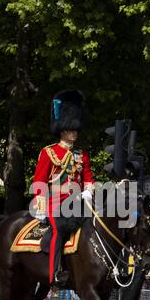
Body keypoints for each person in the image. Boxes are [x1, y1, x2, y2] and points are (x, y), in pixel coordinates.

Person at [32, 89, 94, 286]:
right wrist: (41, 210)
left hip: (77, 204)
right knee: (59, 230)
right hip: (55, 203)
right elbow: (40, 182)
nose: (74, 133)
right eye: (71, 130)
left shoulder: (81, 154)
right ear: (62, 130)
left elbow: (88, 178)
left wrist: (88, 192)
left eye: (76, 130)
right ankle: (55, 274)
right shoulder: (49, 152)